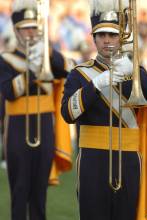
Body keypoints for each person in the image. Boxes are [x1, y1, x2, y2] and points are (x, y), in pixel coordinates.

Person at [61, 1, 147, 220]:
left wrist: (137, 72)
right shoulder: (80, 74)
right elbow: (68, 114)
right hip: (92, 160)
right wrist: (97, 84)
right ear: (94, 38)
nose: (107, 41)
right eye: (101, 35)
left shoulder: (134, 72)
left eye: (112, 34)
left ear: (121, 37)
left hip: (129, 159)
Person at [0, 0, 74, 219]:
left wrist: (48, 52)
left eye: (34, 27)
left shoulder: (47, 55)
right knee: (20, 190)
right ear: (16, 30)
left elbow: (69, 71)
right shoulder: (6, 59)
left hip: (44, 124)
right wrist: (31, 71)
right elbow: (10, 91)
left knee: (40, 192)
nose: (31, 32)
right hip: (17, 129)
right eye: (26, 28)